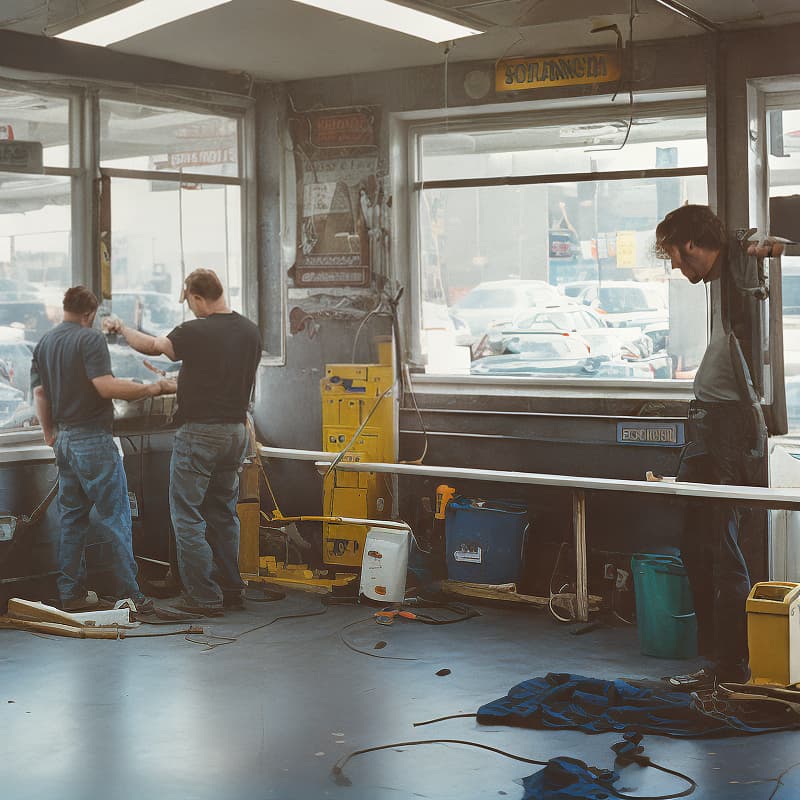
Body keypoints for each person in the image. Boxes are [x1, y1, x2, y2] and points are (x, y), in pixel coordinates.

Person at [655, 204, 771, 690]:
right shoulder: (723, 278)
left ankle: (730, 666)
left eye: (677, 258)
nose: (679, 269)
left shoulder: (739, 269)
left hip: (726, 428)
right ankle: (718, 660)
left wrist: (754, 245)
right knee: (697, 544)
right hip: (708, 425)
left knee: (722, 549)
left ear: (693, 243)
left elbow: (755, 242)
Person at [104, 269, 262, 616]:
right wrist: (180, 383)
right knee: (223, 513)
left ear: (196, 297)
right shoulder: (250, 331)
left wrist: (120, 328)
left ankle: (202, 597)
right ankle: (231, 589)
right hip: (236, 432)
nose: (190, 308)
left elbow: (154, 347)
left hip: (200, 434)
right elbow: (222, 375)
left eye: (189, 301)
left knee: (188, 516)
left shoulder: (195, 330)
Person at [31, 286, 172, 613]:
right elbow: (105, 386)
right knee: (115, 517)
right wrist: (152, 387)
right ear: (91, 313)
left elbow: (40, 393)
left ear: (65, 307)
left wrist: (50, 435)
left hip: (64, 440)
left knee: (72, 519)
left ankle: (72, 593)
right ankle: (130, 596)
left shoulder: (45, 342)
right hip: (92, 439)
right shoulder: (89, 338)